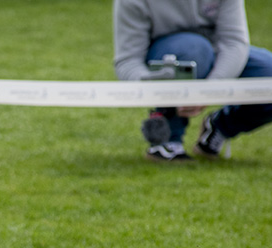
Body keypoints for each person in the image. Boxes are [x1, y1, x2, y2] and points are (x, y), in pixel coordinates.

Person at [113, 0, 272, 161]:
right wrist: (152, 86)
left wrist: (211, 89)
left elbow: (234, 42)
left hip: (217, 50)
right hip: (166, 55)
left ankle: (219, 128)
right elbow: (128, 60)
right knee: (193, 50)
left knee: (269, 71)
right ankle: (168, 141)